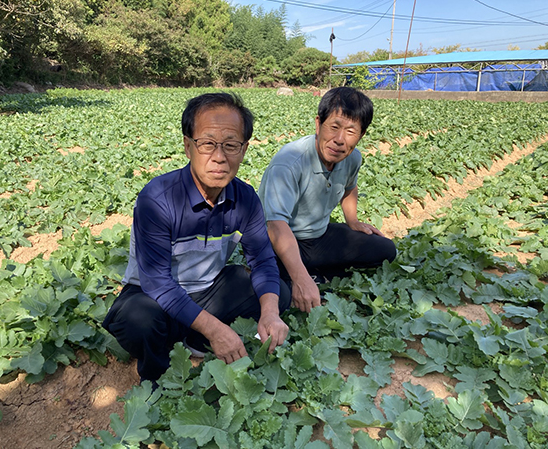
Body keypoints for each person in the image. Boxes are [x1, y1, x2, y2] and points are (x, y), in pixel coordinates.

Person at [103, 92, 290, 384]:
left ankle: (192, 334)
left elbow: (263, 259)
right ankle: (158, 376)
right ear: (188, 146)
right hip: (152, 296)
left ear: (243, 149)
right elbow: (157, 282)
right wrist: (216, 330)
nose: (219, 156)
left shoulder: (245, 199)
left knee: (278, 293)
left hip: (207, 292)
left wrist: (270, 313)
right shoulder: (158, 198)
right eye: (207, 144)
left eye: (230, 145)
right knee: (139, 321)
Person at [258, 87, 396, 313]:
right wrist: (301, 279)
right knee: (279, 294)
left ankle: (311, 273)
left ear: (361, 136)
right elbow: (275, 226)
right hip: (278, 241)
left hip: (318, 237)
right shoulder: (289, 162)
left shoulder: (352, 159)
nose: (339, 140)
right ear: (318, 124)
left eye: (351, 131)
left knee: (385, 249)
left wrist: (353, 221)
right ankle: (304, 275)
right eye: (334, 127)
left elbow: (350, 187)